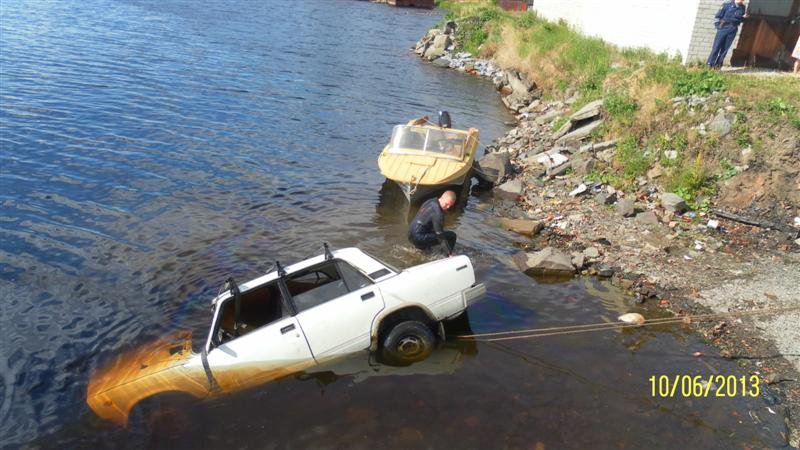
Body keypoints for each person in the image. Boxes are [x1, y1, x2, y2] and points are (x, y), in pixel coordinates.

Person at [408, 190, 457, 255]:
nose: (448, 207)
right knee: (452, 236)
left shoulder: (430, 201)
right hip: (419, 238)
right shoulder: (438, 214)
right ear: (442, 198)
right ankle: (448, 257)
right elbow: (440, 237)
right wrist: (449, 252)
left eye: (450, 205)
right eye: (447, 204)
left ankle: (422, 248)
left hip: (410, 234)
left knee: (431, 231)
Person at [707, 0, 748, 69]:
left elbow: (741, 20)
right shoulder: (727, 4)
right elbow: (718, 16)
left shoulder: (742, 7)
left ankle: (718, 65)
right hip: (724, 27)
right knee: (716, 47)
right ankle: (710, 64)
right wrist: (719, 27)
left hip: (733, 28)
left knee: (725, 49)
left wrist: (744, 18)